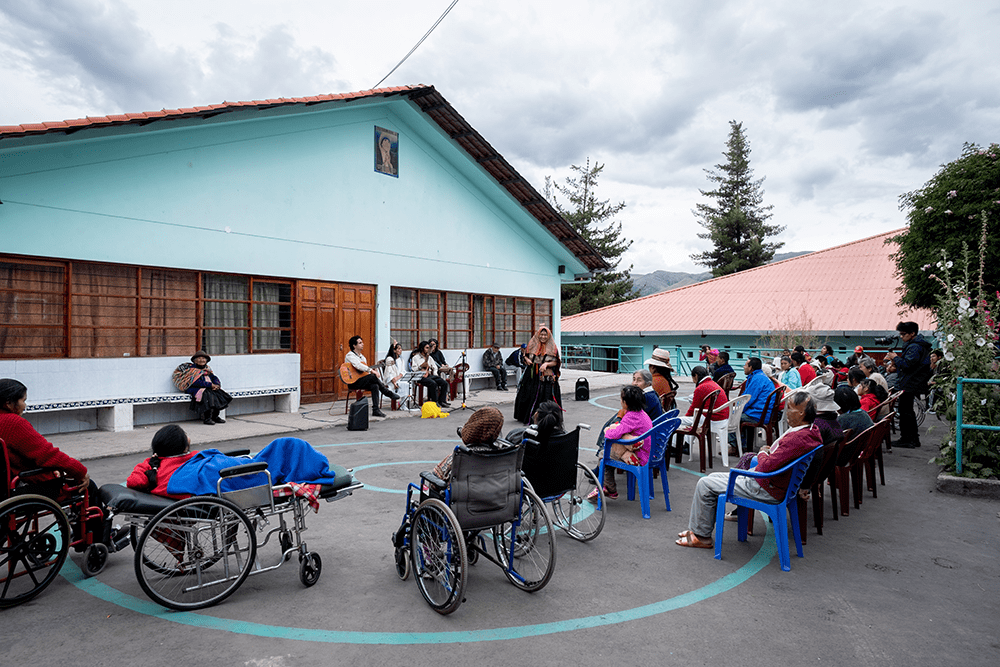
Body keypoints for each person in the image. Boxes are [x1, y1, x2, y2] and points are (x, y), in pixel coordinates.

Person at [676, 391, 822, 549]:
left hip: (766, 486)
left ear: (801, 412)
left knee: (705, 483)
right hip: (773, 483)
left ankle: (701, 536)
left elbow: (766, 466)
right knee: (713, 477)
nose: (786, 412)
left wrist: (762, 453)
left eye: (790, 409)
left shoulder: (797, 439)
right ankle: (698, 529)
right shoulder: (811, 431)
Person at [0, 378, 110, 543]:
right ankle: (97, 539)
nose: (25, 405)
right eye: (23, 401)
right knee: (87, 487)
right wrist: (80, 471)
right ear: (9, 403)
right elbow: (47, 454)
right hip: (18, 489)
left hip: (7, 485)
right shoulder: (12, 423)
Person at [127, 424, 340, 498]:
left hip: (226, 469)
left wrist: (148, 463)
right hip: (235, 476)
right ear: (181, 447)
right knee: (287, 445)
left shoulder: (155, 467)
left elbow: (135, 482)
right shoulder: (176, 465)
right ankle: (315, 469)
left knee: (281, 448)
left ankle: (303, 465)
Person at [591, 385, 653, 500]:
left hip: (639, 455)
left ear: (625, 403)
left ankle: (610, 489)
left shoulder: (631, 417)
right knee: (609, 453)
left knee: (603, 455)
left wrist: (609, 429)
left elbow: (612, 434)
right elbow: (624, 429)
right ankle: (608, 487)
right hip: (647, 451)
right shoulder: (641, 413)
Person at [431, 407, 506, 482]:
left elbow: (434, 481)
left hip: (462, 492)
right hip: (497, 491)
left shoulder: (458, 458)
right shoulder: (505, 457)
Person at [513, 326, 561, 424]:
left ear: (548, 336)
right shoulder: (532, 344)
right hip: (531, 375)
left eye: (545, 335)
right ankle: (526, 415)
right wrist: (527, 360)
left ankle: (547, 417)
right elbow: (524, 356)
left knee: (545, 394)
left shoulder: (553, 347)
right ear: (538, 335)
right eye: (541, 334)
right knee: (528, 393)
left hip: (545, 375)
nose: (543, 337)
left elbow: (556, 362)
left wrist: (546, 364)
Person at [345, 335, 401, 418]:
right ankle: (387, 392)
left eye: (362, 342)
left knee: (374, 385)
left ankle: (376, 410)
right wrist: (371, 371)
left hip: (362, 380)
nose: (362, 344)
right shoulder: (350, 356)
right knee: (373, 376)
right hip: (353, 382)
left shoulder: (363, 357)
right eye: (360, 343)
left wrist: (372, 371)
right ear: (354, 345)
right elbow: (357, 365)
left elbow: (364, 372)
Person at [173, 351, 232, 426]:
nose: (202, 360)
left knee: (219, 394)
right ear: (195, 360)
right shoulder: (192, 370)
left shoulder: (207, 369)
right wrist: (210, 385)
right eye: (199, 358)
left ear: (206, 360)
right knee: (208, 395)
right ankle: (207, 418)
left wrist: (217, 385)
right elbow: (194, 382)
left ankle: (215, 416)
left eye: (204, 358)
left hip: (208, 387)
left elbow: (214, 377)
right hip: (193, 388)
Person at [737, 358, 776, 453]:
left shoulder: (757, 378)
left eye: (745, 365)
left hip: (758, 414)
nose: (744, 367)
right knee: (737, 415)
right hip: (760, 412)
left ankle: (736, 446)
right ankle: (744, 445)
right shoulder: (759, 376)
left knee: (732, 418)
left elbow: (748, 399)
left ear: (751, 367)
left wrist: (736, 410)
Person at [408, 341, 451, 408]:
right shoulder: (415, 358)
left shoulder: (429, 357)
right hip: (420, 377)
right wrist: (420, 366)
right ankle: (434, 402)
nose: (428, 349)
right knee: (433, 383)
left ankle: (442, 401)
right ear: (422, 348)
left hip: (429, 375)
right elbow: (413, 369)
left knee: (444, 383)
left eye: (428, 348)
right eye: (426, 348)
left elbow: (435, 367)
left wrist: (435, 374)